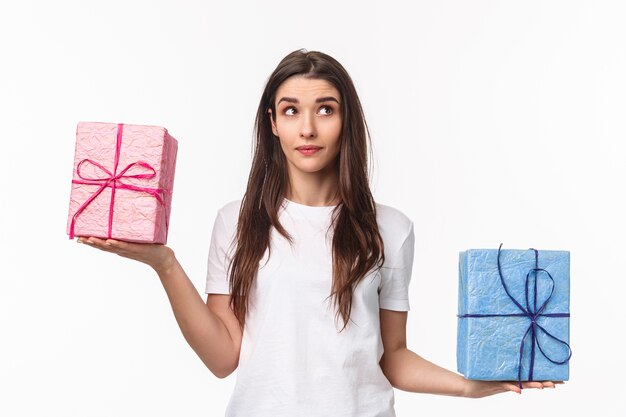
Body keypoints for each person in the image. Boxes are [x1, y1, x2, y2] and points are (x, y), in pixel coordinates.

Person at [77, 49, 562, 416]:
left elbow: (390, 357)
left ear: (345, 119)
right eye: (290, 111)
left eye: (325, 109)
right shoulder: (236, 220)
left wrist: (469, 386)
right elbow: (224, 357)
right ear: (272, 123)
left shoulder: (390, 228)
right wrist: (164, 263)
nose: (307, 128)